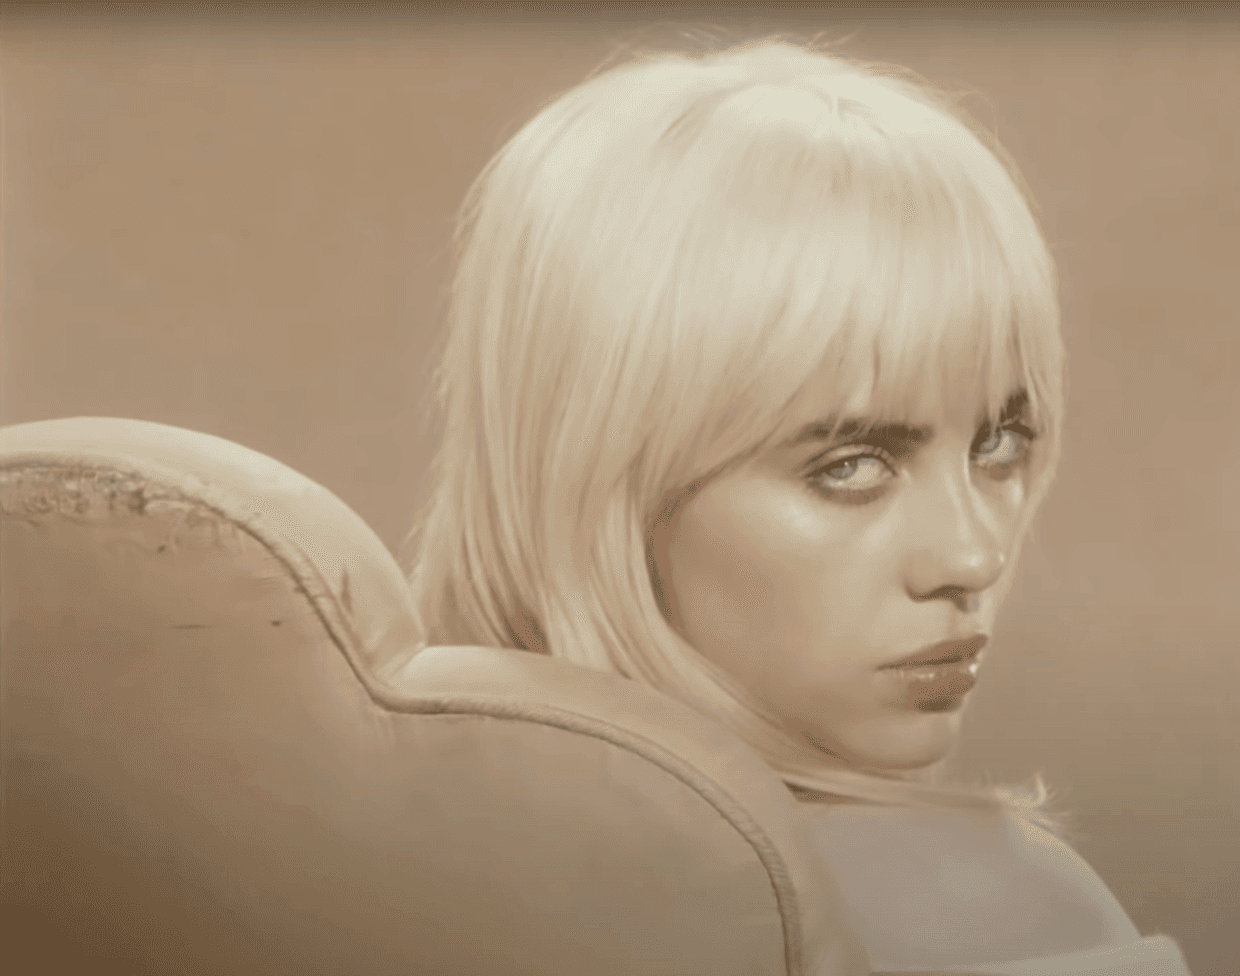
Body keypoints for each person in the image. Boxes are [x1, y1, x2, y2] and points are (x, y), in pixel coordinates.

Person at [407, 30, 1191, 975]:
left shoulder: (354, 871)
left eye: (998, 444)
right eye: (851, 466)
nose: (971, 557)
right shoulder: (993, 900)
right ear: (605, 484)